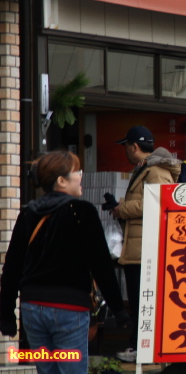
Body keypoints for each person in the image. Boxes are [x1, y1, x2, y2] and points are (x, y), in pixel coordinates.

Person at [0, 151, 130, 374]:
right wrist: (118, 309)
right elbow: (101, 265)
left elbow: (12, 266)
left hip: (33, 308)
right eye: (77, 172)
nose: (81, 176)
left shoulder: (28, 213)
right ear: (61, 180)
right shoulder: (83, 212)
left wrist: (7, 314)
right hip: (70, 309)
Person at [112, 125, 181, 363]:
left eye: (126, 147)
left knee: (144, 301)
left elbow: (158, 202)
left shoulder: (155, 171)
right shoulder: (146, 169)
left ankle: (143, 348)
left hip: (147, 251)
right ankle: (142, 348)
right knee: (140, 300)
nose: (126, 152)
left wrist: (123, 209)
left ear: (134, 146)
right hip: (139, 248)